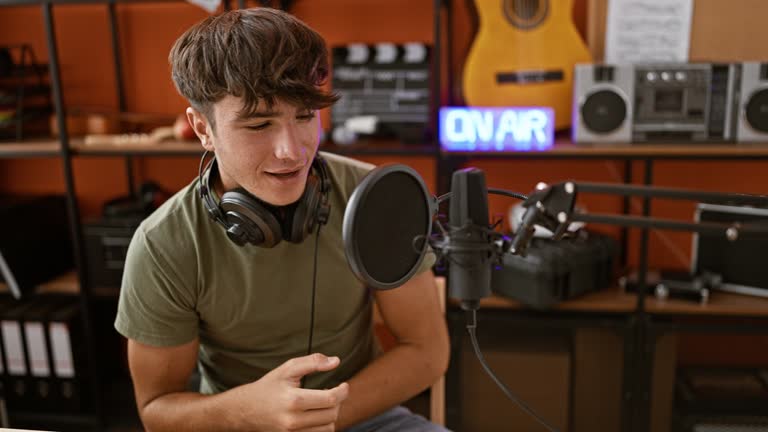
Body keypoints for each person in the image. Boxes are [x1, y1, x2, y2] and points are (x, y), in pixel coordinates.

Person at [114, 7, 450, 432]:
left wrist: (319, 419)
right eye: (258, 124)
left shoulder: (376, 199)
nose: (291, 151)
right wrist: (246, 414)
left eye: (305, 116)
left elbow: (426, 351)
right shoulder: (163, 244)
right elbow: (157, 410)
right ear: (202, 127)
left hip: (360, 412)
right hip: (235, 422)